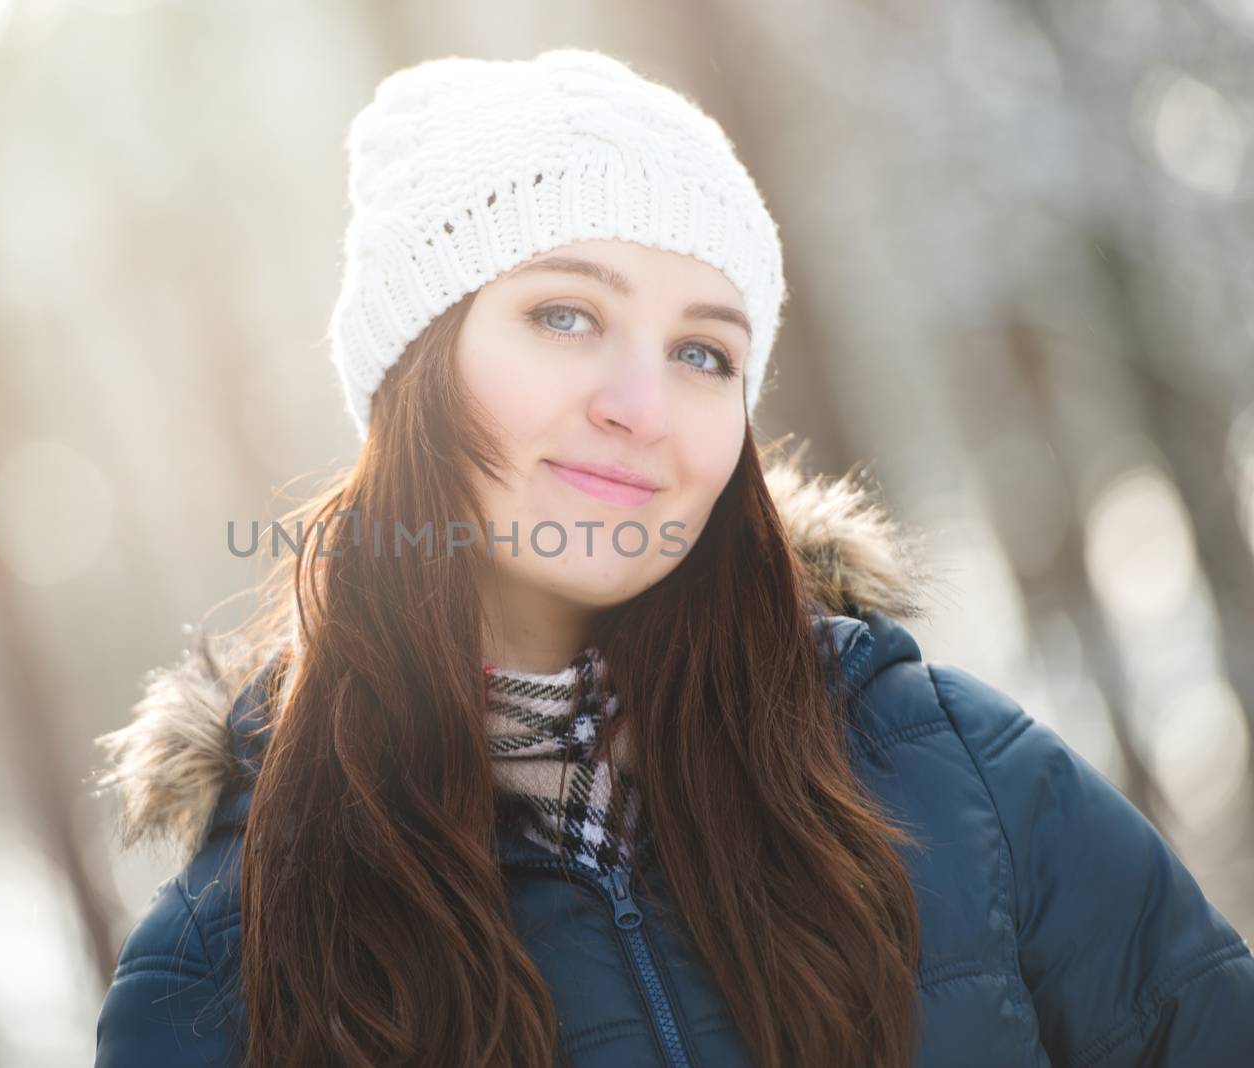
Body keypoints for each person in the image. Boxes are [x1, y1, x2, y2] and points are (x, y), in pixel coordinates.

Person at [91, 48, 1254, 1068]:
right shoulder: (218, 968)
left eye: (704, 352)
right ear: (414, 368)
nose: (642, 406)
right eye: (564, 315)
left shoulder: (963, 775)